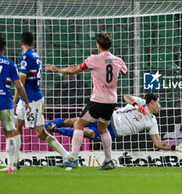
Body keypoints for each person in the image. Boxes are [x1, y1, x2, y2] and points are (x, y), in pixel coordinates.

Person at [46, 32, 129, 170]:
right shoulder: (117, 60)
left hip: (98, 99)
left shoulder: (94, 59)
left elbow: (75, 70)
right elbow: (125, 72)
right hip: (112, 100)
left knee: (79, 123)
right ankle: (108, 161)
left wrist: (57, 69)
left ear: (98, 45)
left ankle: (73, 158)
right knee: (102, 128)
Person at [45, 94, 182, 154]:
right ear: (152, 102)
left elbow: (158, 144)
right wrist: (136, 105)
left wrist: (175, 147)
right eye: (158, 103)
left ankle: (55, 129)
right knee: (76, 121)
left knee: (88, 133)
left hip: (112, 132)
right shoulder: (141, 102)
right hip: (109, 118)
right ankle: (48, 124)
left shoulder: (152, 122)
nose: (160, 107)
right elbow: (126, 96)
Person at [13, 32, 70, 165]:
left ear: (21, 43)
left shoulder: (26, 57)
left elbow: (20, 83)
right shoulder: (36, 55)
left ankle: (67, 156)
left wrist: (13, 101)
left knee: (40, 133)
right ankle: (14, 163)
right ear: (33, 43)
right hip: (26, 98)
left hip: (32, 100)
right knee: (16, 128)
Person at [0, 35, 31, 173]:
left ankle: (11, 165)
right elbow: (19, 86)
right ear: (4, 48)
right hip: (5, 102)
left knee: (10, 133)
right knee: (10, 133)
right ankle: (11, 165)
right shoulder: (10, 64)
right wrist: (26, 102)